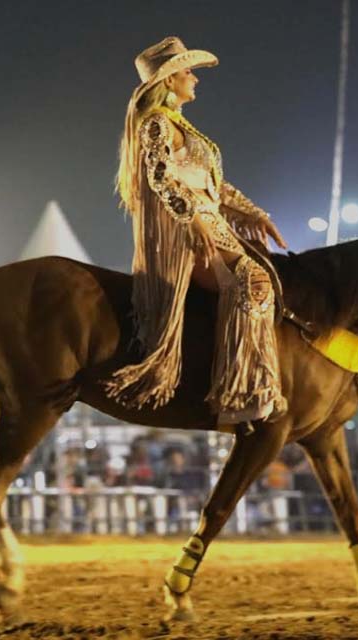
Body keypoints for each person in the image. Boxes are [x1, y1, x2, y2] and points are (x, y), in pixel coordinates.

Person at [104, 37, 288, 427]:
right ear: (170, 80)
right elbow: (159, 179)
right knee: (252, 282)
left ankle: (255, 382)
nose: (195, 79)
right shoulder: (156, 123)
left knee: (266, 274)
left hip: (211, 223)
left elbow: (213, 185)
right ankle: (238, 393)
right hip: (188, 230)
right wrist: (193, 219)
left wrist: (255, 214)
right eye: (188, 72)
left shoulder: (177, 123)